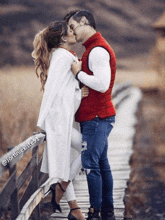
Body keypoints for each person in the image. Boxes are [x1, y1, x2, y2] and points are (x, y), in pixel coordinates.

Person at [32, 20, 88, 220]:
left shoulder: (62, 56)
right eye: (70, 31)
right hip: (57, 119)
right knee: (88, 147)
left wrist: (77, 87)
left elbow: (63, 87)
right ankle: (62, 187)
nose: (74, 32)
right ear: (63, 38)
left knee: (66, 159)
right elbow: (53, 89)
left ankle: (74, 209)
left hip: (60, 118)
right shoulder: (63, 57)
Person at [65, 10, 117, 220]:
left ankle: (95, 212)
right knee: (101, 164)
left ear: (84, 22)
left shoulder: (97, 50)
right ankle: (108, 211)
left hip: (97, 118)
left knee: (91, 164)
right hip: (96, 118)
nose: (71, 32)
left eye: (72, 26)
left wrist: (78, 73)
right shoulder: (92, 48)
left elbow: (102, 84)